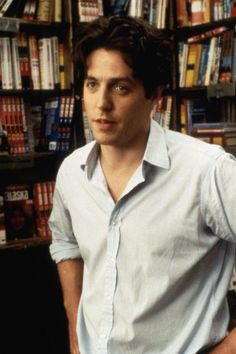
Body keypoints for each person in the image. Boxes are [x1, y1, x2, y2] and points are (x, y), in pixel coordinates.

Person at [49, 16, 236, 354]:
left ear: (156, 95)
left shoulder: (207, 171)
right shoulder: (71, 173)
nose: (101, 104)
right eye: (92, 84)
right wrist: (75, 332)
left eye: (120, 87)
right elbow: (66, 244)